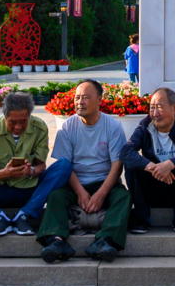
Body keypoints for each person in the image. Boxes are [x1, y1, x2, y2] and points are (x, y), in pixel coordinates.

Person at [37, 78, 130, 263]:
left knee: (124, 197)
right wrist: (80, 191)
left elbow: (117, 165)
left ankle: (104, 241)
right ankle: (56, 241)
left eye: (86, 97)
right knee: (55, 196)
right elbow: (65, 164)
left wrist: (101, 194)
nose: (80, 102)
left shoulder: (112, 126)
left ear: (100, 100)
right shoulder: (67, 126)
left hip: (104, 182)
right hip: (74, 182)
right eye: (77, 98)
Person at [124, 87, 175, 234]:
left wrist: (170, 164)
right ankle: (142, 219)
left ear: (174, 108)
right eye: (152, 108)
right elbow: (126, 151)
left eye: (159, 107)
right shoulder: (145, 125)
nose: (155, 114)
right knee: (131, 166)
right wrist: (152, 167)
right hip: (152, 189)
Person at [0, 91, 53, 236]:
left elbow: (41, 166)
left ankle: (25, 214)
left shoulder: (39, 127)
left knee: (63, 166)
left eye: (23, 121)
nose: (18, 127)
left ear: (29, 116)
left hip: (28, 189)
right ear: (4, 116)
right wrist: (3, 174)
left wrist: (29, 171)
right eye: (12, 122)